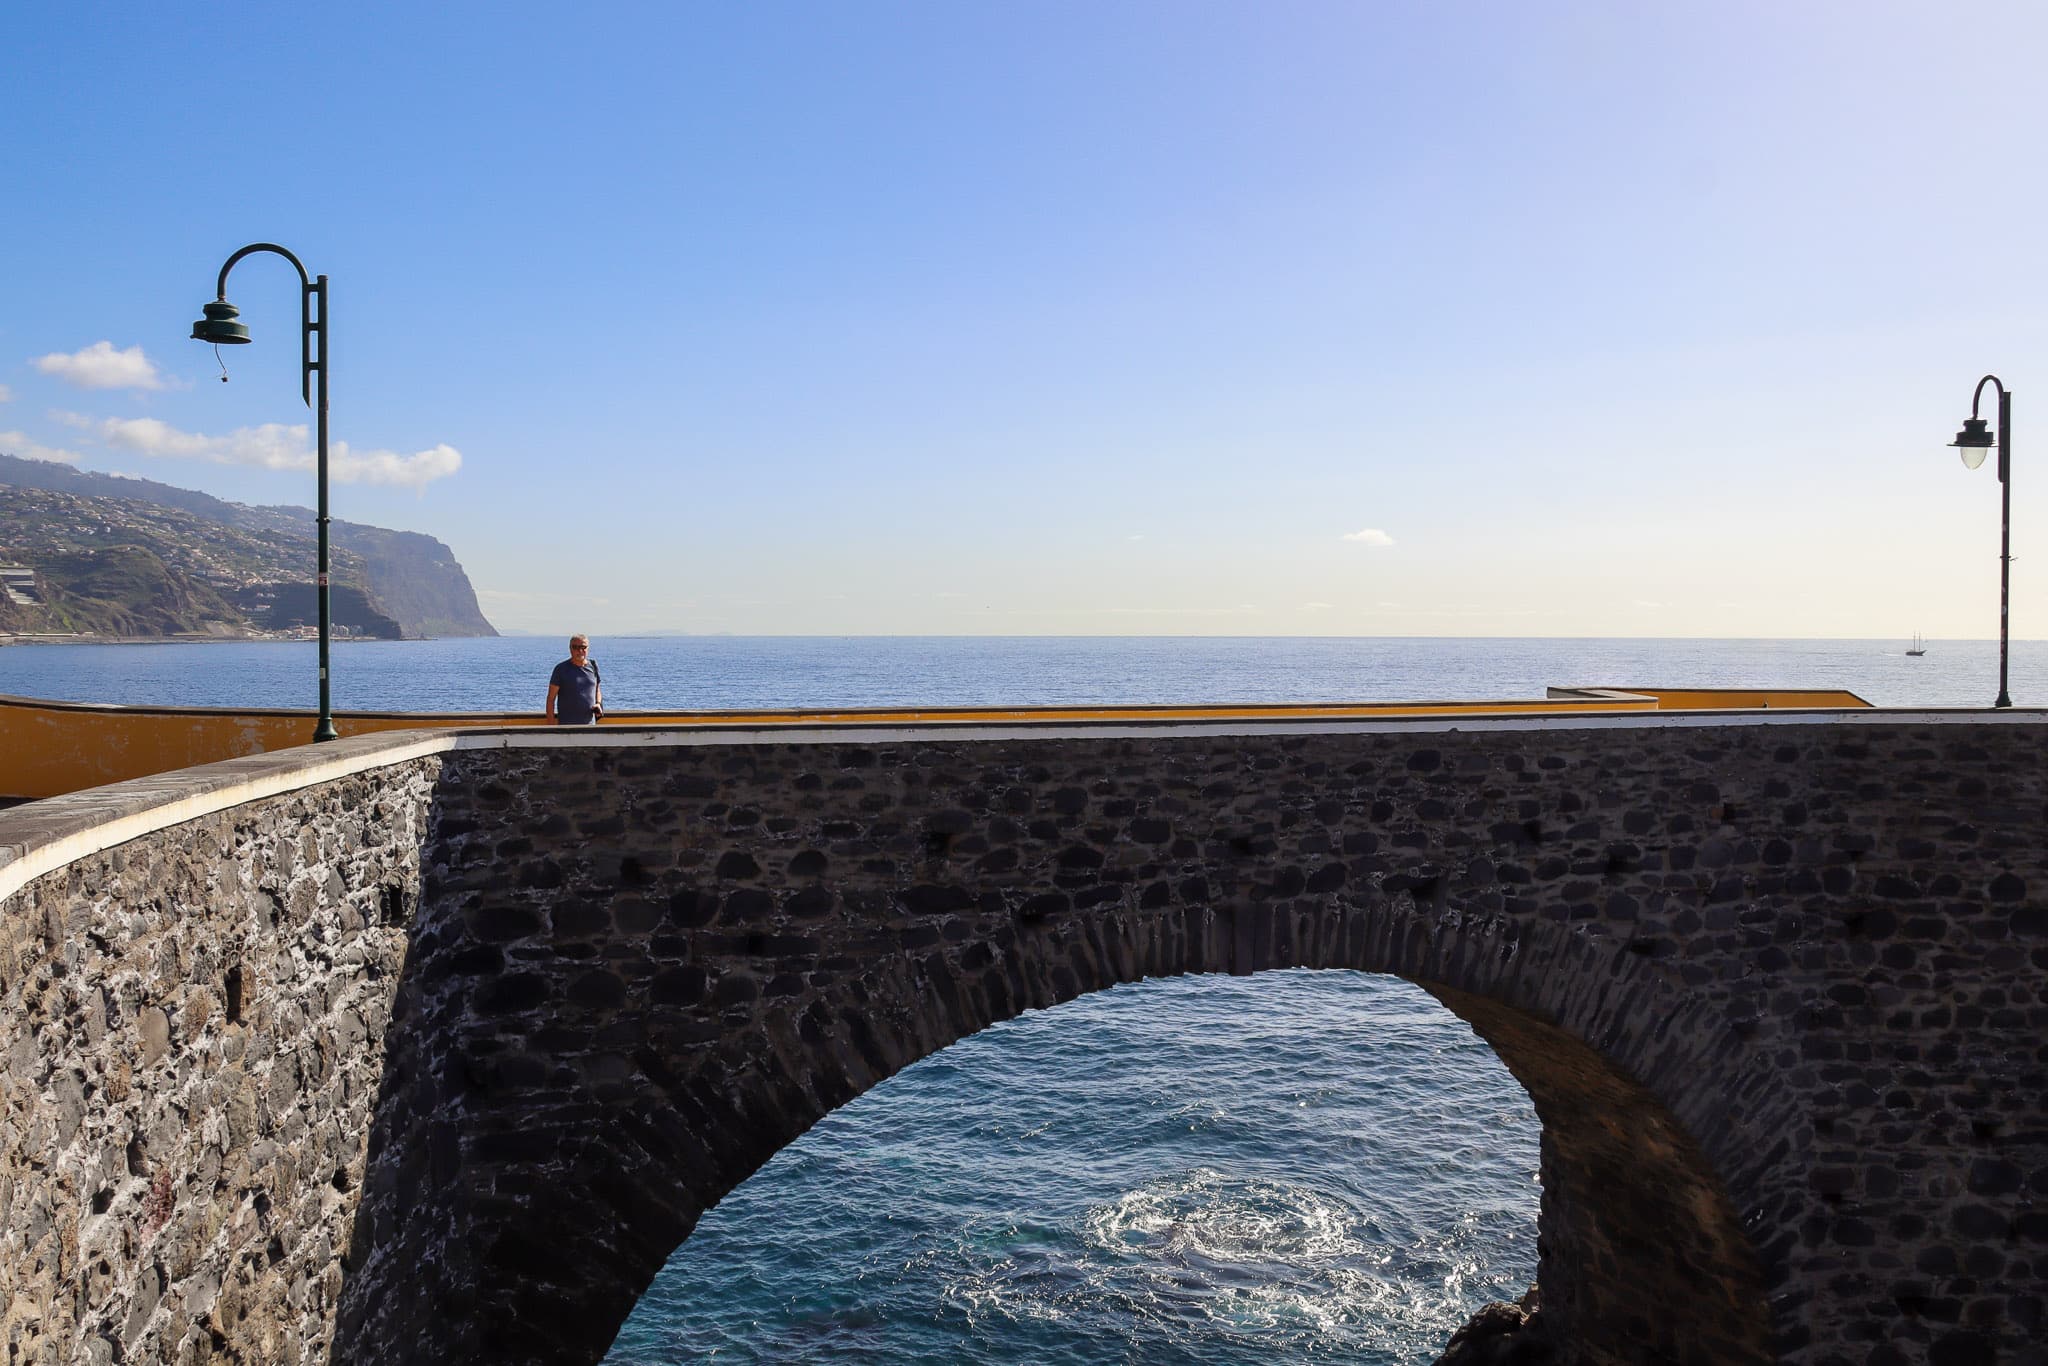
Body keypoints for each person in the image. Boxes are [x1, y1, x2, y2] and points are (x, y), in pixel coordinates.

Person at [545, 634, 603, 724]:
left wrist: (598, 703)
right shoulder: (560, 669)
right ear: (570, 649)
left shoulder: (593, 666)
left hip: (590, 728)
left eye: (583, 647)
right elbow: (550, 699)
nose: (580, 651)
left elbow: (597, 689)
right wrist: (551, 726)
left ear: (588, 648)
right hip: (567, 728)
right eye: (575, 647)